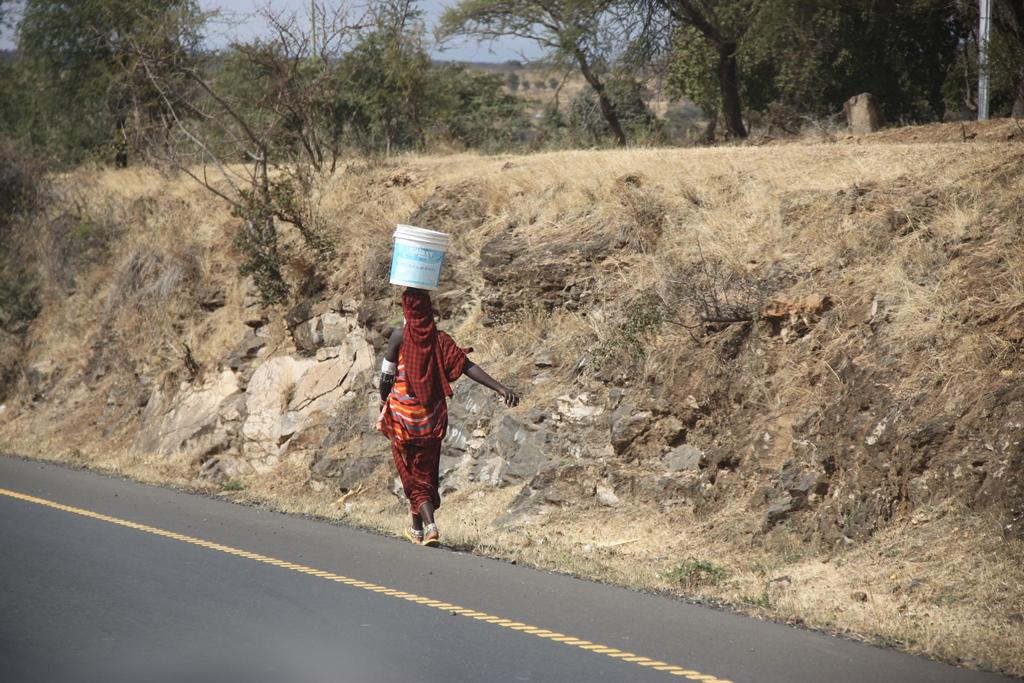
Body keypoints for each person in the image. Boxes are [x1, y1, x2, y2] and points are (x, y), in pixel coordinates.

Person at [377, 288, 519, 547]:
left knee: (409, 472)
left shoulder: (399, 337)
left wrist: (384, 400)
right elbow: (466, 366)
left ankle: (430, 526)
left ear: (406, 311)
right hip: (431, 420)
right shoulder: (440, 340)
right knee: (425, 471)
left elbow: (386, 377)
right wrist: (501, 388)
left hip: (403, 421)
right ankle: (417, 529)